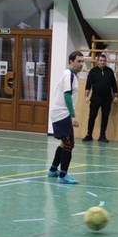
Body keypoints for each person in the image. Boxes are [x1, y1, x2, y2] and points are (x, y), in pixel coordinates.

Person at [46, 51, 85, 184]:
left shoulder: (72, 75)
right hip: (62, 113)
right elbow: (67, 95)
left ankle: (53, 170)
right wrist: (73, 116)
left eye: (82, 61)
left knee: (64, 143)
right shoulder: (69, 74)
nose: (81, 64)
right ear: (70, 62)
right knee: (69, 144)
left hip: (60, 113)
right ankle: (62, 176)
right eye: (78, 61)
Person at [82, 53, 118, 142]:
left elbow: (114, 85)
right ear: (97, 61)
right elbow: (88, 85)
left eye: (104, 61)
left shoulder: (110, 71)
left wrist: (115, 96)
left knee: (105, 117)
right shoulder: (93, 71)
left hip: (107, 98)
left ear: (106, 61)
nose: (102, 62)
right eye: (101, 61)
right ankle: (89, 134)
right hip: (96, 97)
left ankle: (102, 136)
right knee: (92, 116)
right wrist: (86, 96)